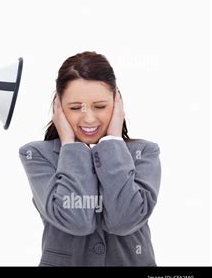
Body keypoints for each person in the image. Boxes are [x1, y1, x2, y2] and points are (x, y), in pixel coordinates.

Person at [19, 51, 161, 266]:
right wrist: (70, 145)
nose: (88, 118)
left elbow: (124, 220)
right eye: (75, 108)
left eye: (100, 106)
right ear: (58, 107)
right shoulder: (38, 155)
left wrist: (112, 141)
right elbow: (77, 221)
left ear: (117, 102)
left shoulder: (145, 153)